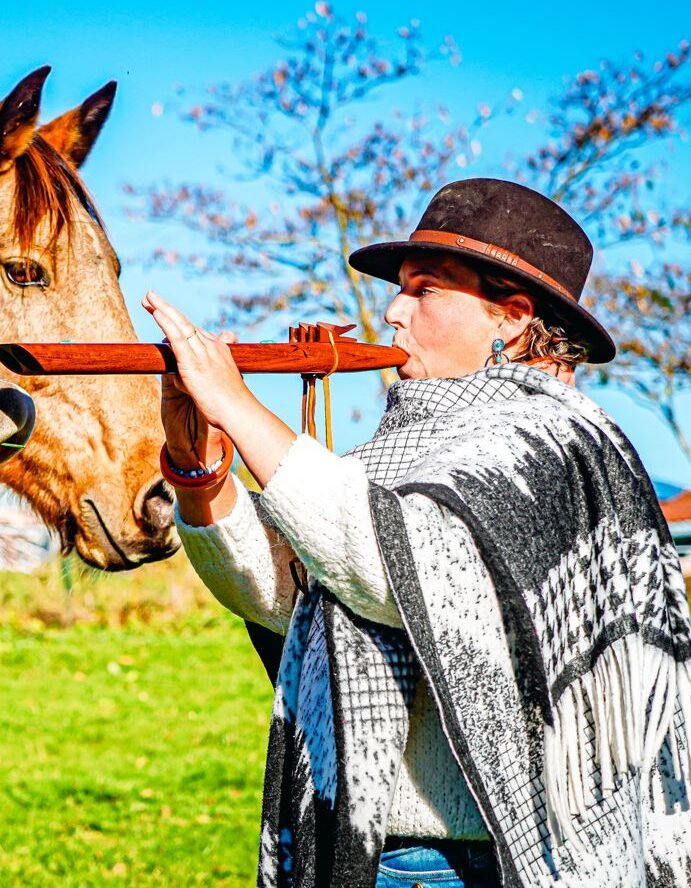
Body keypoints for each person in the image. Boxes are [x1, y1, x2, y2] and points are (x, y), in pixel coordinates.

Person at [144, 178, 691, 887]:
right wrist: (200, 465)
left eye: (424, 290)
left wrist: (237, 405)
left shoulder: (553, 443)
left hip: (484, 867)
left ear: (512, 317)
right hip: (367, 847)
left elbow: (396, 574)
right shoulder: (408, 446)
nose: (393, 312)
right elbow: (284, 594)